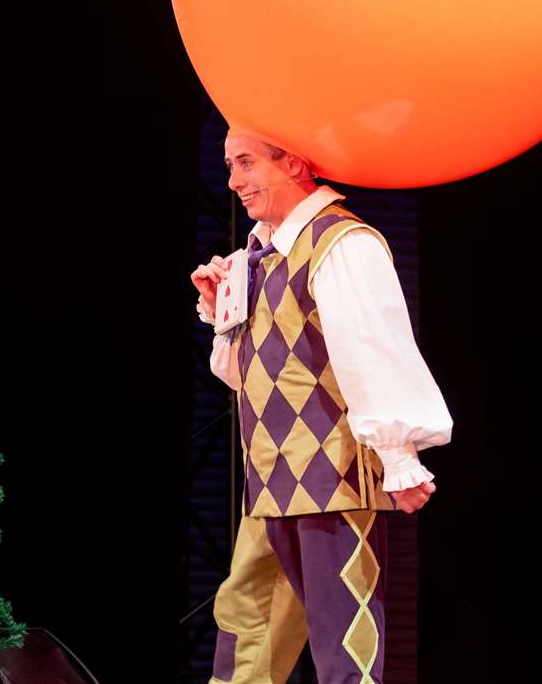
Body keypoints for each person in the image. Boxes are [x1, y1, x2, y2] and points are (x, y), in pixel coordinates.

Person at [191, 131, 453, 684]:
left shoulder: (342, 243)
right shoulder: (254, 258)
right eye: (229, 165)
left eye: (246, 163)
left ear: (293, 163)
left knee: (344, 643)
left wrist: (398, 456)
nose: (234, 181)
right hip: (268, 478)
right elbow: (248, 376)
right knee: (245, 625)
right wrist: (221, 313)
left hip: (330, 479)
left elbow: (370, 349)